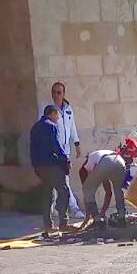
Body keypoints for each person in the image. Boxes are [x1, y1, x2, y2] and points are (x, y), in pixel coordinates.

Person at [44, 82, 84, 218]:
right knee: (63, 180)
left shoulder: (68, 109)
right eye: (54, 92)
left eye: (59, 92)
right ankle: (73, 208)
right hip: (54, 150)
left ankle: (54, 207)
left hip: (65, 149)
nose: (56, 95)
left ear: (63, 94)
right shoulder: (48, 108)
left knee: (58, 179)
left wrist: (77, 144)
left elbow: (72, 127)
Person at [30, 105, 71, 237]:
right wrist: (65, 159)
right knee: (63, 190)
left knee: (48, 193)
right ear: (52, 114)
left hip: (39, 166)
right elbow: (56, 146)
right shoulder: (51, 126)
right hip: (50, 165)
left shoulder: (35, 127)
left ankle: (48, 225)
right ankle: (63, 222)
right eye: (57, 115)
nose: (58, 118)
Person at [79, 140, 137, 228]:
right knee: (118, 190)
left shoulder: (87, 166)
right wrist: (103, 213)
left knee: (87, 190)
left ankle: (97, 221)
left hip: (105, 162)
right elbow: (108, 192)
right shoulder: (99, 160)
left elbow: (87, 191)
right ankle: (121, 218)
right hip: (119, 161)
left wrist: (91, 216)